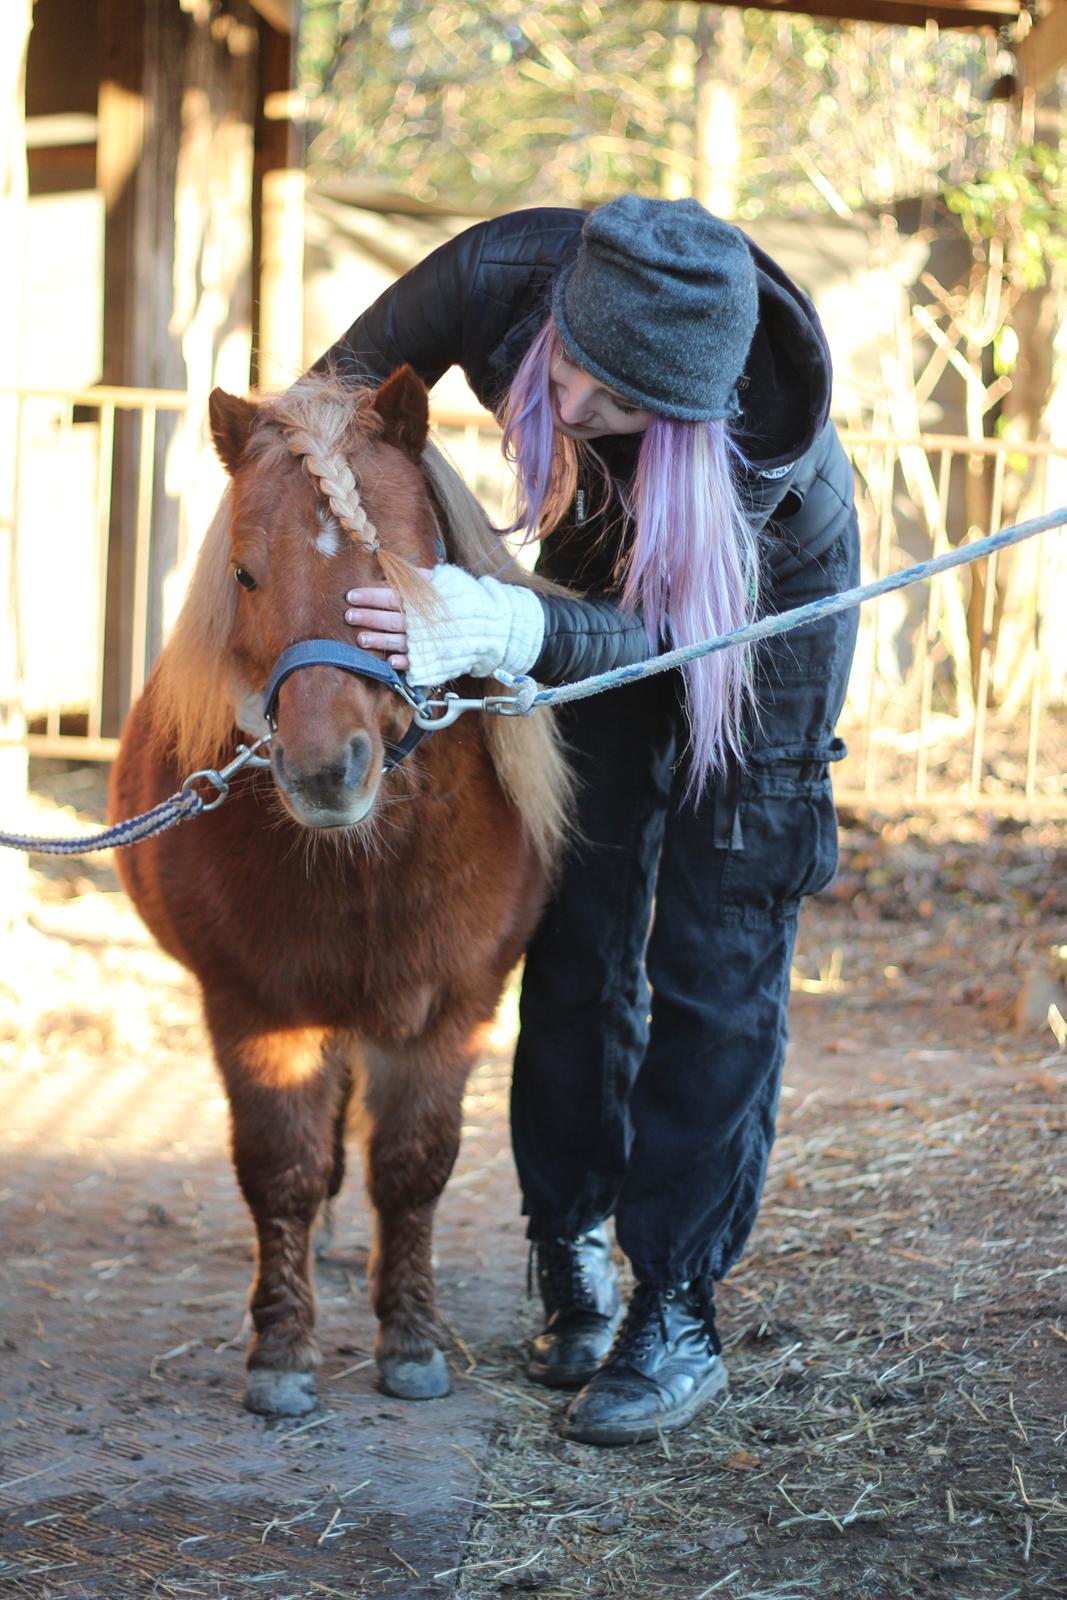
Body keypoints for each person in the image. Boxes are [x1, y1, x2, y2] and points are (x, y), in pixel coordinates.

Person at [317, 196, 859, 1446]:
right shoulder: (502, 273)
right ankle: (568, 1243)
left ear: (679, 414)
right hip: (578, 571)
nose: (565, 405)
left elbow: (679, 639)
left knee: (715, 944)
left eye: (611, 403)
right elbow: (323, 410)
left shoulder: (763, 455)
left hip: (751, 616)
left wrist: (510, 624)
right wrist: (412, 557)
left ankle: (673, 1306)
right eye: (563, 366)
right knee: (577, 920)